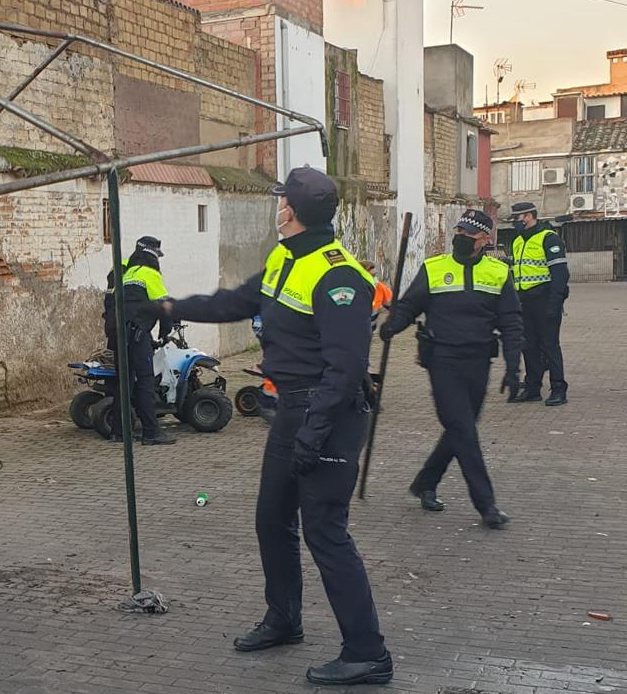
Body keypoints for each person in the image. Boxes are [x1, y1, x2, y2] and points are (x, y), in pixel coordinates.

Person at [144, 167, 391, 686]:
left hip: (328, 417)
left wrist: (314, 433)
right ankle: (284, 619)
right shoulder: (285, 258)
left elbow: (345, 370)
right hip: (292, 412)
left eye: (280, 200)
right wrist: (164, 306)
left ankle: (368, 652)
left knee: (326, 533)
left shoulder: (339, 275)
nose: (275, 208)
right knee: (272, 521)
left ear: (292, 211)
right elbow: (235, 302)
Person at [379, 210, 522, 528]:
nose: (461, 237)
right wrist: (393, 325)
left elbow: (511, 322)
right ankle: (486, 505)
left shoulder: (498, 272)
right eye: (459, 230)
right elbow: (409, 305)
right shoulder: (434, 268)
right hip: (442, 360)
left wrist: (514, 369)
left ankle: (425, 483)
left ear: (485, 239)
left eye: (469, 233)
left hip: (479, 362)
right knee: (464, 431)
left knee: (460, 429)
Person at [104, 236, 176, 445]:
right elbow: (164, 305)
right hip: (136, 335)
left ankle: (119, 432)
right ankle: (151, 433)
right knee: (145, 382)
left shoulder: (126, 274)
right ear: (153, 255)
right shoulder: (149, 274)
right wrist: (165, 332)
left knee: (123, 383)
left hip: (117, 333)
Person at [508, 202, 569, 406]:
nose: (514, 223)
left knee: (549, 345)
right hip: (524, 302)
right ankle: (533, 388)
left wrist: (554, 304)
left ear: (527, 216)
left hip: (544, 301)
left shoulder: (548, 238)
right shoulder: (517, 241)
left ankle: (558, 388)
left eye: (516, 219)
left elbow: (560, 275)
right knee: (529, 346)